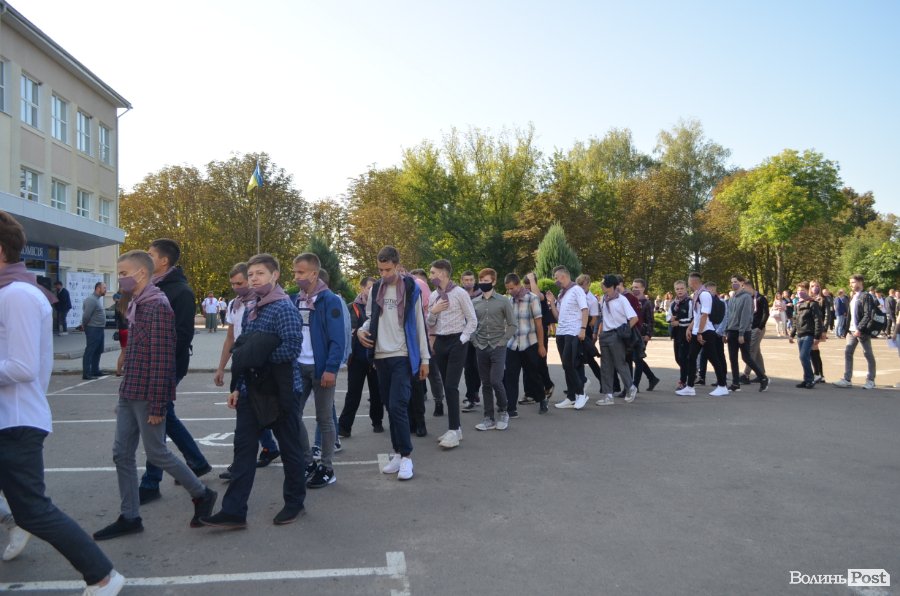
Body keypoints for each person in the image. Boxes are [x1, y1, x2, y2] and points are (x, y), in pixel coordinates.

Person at [0, 211, 125, 594]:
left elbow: (21, 366)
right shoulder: (12, 292)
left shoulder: (17, 295)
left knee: (34, 510)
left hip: (15, 421)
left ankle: (103, 576)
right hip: (10, 419)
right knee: (29, 509)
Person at [93, 250, 217, 541]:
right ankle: (130, 516)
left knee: (157, 453)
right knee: (121, 454)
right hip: (131, 391)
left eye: (123, 273)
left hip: (148, 394)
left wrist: (158, 405)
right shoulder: (138, 302)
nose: (120, 279)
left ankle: (201, 493)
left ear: (141, 274)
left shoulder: (157, 306)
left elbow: (162, 361)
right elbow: (138, 352)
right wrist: (123, 395)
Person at [200, 253, 307, 528]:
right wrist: (238, 386)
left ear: (275, 276)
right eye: (250, 275)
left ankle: (295, 502)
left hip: (281, 391)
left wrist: (259, 354)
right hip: (252, 390)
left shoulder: (284, 308)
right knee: (243, 449)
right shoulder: (251, 308)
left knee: (290, 449)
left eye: (260, 273)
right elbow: (243, 349)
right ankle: (234, 511)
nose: (254, 279)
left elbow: (291, 348)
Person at [139, 239, 211, 504]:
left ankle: (151, 481)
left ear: (164, 261)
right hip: (149, 363)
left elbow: (182, 335)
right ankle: (196, 462)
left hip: (167, 365)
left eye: (150, 254)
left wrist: (159, 359)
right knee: (162, 415)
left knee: (157, 416)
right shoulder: (150, 286)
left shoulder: (180, 291)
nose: (146, 258)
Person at [358, 246, 430, 480]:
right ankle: (397, 454)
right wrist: (360, 330)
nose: (384, 274)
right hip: (380, 356)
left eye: (388, 269)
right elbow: (371, 318)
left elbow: (419, 323)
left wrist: (425, 359)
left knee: (398, 405)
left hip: (402, 355)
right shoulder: (376, 288)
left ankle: (407, 457)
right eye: (380, 270)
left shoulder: (410, 288)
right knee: (390, 406)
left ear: (398, 266)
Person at [214, 263, 280, 482]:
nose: (236, 287)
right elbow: (230, 339)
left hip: (259, 366)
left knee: (252, 416)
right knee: (249, 413)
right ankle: (269, 448)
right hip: (242, 365)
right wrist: (221, 367)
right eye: (233, 284)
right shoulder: (235, 305)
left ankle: (244, 464)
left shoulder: (261, 304)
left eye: (240, 283)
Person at [292, 253, 347, 489]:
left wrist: (331, 368)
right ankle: (308, 462)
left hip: (321, 368)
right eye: (295, 272)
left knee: (324, 419)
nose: (297, 277)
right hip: (298, 367)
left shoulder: (329, 300)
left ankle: (327, 467)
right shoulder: (295, 299)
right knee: (292, 415)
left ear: (314, 274)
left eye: (301, 272)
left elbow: (337, 339)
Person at [427, 259, 477, 449]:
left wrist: (462, 339)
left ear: (443, 273)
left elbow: (472, 320)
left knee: (451, 386)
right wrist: (434, 311)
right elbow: (430, 323)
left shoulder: (460, 293)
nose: (431, 276)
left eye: (433, 273)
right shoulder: (434, 295)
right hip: (440, 342)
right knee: (447, 385)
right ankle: (456, 430)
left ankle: (454, 429)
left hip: (457, 341)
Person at [471, 269, 516, 431]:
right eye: (481, 280)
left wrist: (503, 342)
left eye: (486, 280)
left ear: (494, 281)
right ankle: (488, 417)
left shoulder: (504, 301)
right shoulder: (475, 302)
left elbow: (512, 324)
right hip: (481, 346)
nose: (483, 283)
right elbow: (470, 324)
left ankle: (503, 411)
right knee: (486, 384)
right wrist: (475, 342)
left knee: (496, 381)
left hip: (498, 346)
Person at [339, 276, 384, 435]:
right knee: (353, 393)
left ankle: (377, 422)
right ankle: (344, 427)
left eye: (374, 289)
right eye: (369, 288)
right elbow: (345, 330)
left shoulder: (380, 307)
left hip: (375, 357)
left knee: (377, 393)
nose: (372, 292)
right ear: (362, 288)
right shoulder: (351, 307)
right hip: (356, 359)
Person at [676, 272, 729, 397]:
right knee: (691, 358)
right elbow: (697, 315)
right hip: (698, 331)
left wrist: (699, 332)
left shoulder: (704, 294)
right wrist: (690, 328)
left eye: (689, 281)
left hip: (705, 332)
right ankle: (690, 387)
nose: (688, 284)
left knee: (714, 359)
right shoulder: (697, 294)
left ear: (693, 282)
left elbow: (705, 315)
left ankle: (722, 386)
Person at [503, 273, 549, 414]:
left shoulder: (532, 298)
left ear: (518, 285)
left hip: (529, 343)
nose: (509, 291)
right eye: (508, 289)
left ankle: (542, 399)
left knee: (533, 375)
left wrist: (541, 345)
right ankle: (511, 407)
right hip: (512, 345)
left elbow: (539, 324)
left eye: (511, 288)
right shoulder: (509, 301)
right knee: (510, 376)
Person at [546, 266, 589, 409]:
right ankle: (571, 397)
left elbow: (585, 310)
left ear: (563, 276)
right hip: (561, 333)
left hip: (573, 332)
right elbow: (558, 316)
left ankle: (581, 394)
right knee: (566, 366)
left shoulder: (577, 290)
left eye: (556, 277)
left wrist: (583, 329)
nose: (555, 280)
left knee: (569, 364)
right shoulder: (562, 293)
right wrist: (552, 302)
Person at [596, 274, 639, 405]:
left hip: (616, 335)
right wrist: (599, 333)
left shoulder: (622, 300)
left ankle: (630, 387)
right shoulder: (603, 299)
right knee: (606, 366)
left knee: (620, 364)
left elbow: (634, 318)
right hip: (605, 335)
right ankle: (608, 396)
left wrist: (624, 330)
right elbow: (602, 317)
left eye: (603, 283)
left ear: (611, 285)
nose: (601, 285)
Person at [724, 275, 769, 392]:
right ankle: (735, 383)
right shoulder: (732, 298)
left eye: (736, 281)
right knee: (733, 358)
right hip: (732, 331)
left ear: (742, 283)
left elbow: (745, 316)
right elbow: (729, 316)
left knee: (746, 357)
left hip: (743, 332)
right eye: (732, 282)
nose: (733, 284)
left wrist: (741, 333)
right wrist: (726, 331)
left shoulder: (747, 297)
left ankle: (763, 378)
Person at [833, 274, 878, 390]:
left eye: (853, 282)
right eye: (850, 282)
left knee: (868, 354)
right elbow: (850, 315)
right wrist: (846, 330)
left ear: (860, 282)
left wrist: (860, 328)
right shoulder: (853, 296)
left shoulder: (866, 296)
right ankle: (847, 379)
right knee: (848, 353)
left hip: (862, 331)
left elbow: (868, 314)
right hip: (851, 331)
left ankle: (871, 380)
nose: (851, 285)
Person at [523, 273, 555, 401]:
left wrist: (532, 279)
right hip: (528, 332)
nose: (527, 290)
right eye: (525, 287)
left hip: (540, 331)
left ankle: (547, 384)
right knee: (527, 363)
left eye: (529, 287)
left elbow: (536, 296)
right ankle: (529, 393)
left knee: (540, 361)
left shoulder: (540, 295)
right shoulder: (524, 296)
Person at [788, 282, 823, 389]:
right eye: (798, 290)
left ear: (808, 291)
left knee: (803, 356)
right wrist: (792, 334)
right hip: (800, 334)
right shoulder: (797, 304)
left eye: (802, 290)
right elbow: (795, 321)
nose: (800, 292)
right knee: (804, 358)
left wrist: (817, 336)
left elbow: (817, 320)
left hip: (809, 334)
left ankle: (810, 379)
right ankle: (807, 379)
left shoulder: (813, 304)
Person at [458, 270, 483, 412]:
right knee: (468, 367)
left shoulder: (481, 294)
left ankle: (475, 392)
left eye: (471, 280)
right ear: (462, 281)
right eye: (466, 280)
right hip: (465, 335)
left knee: (478, 366)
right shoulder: (458, 294)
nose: (468, 282)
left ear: (474, 281)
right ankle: (471, 396)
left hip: (480, 335)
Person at [631, 278, 661, 392]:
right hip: (632, 334)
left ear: (643, 288)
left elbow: (650, 320)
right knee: (636, 358)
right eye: (633, 287)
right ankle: (652, 378)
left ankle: (635, 385)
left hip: (642, 334)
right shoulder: (631, 300)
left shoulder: (647, 303)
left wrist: (649, 334)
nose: (634, 289)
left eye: (637, 287)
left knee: (638, 359)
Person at [575, 274, 603, 393]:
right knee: (577, 357)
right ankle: (577, 383)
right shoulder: (576, 295)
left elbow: (594, 319)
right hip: (575, 327)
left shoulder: (592, 299)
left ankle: (602, 381)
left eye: (584, 285)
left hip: (585, 329)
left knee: (589, 359)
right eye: (579, 285)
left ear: (588, 285)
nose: (581, 287)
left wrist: (585, 326)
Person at [739, 280, 769, 385]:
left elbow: (766, 313)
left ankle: (746, 374)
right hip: (750, 328)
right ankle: (762, 374)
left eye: (744, 288)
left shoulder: (761, 298)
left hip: (757, 328)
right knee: (756, 351)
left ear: (749, 287)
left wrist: (760, 327)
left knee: (751, 351)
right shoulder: (748, 299)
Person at [80, 281, 107, 380]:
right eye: (104, 288)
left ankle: (95, 370)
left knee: (98, 350)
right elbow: (86, 316)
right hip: (93, 328)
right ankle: (86, 373)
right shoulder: (91, 300)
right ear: (98, 288)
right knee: (90, 350)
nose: (106, 290)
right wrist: (84, 325)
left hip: (99, 328)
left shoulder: (97, 299)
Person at [670, 280, 692, 390]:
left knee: (683, 358)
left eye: (682, 288)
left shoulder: (690, 302)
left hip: (686, 333)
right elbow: (669, 316)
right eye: (677, 289)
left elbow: (692, 319)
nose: (679, 291)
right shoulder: (674, 303)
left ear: (686, 289)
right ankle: (690, 373)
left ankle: (683, 381)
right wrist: (671, 319)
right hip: (676, 334)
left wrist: (679, 322)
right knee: (678, 358)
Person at [809, 281, 832, 384]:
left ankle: (818, 374)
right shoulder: (809, 298)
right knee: (814, 350)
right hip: (810, 327)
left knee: (813, 349)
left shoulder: (823, 299)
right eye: (812, 286)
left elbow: (827, 315)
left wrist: (824, 330)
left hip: (818, 327)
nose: (815, 288)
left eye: (817, 286)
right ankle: (819, 374)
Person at [114, 293, 129, 377]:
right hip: (127, 330)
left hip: (121, 330)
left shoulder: (118, 306)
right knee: (126, 352)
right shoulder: (128, 306)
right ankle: (125, 371)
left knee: (123, 352)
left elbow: (116, 319)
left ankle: (119, 371)